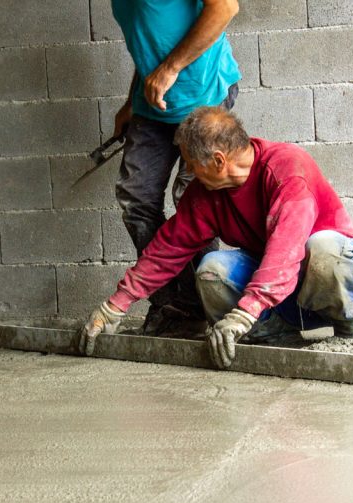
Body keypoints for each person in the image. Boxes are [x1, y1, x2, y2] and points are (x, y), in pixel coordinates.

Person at [80, 107, 353, 369]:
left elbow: (285, 253)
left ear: (219, 160)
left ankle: (348, 324)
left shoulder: (287, 168)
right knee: (211, 270)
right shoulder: (206, 193)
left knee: (323, 249)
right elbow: (167, 249)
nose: (190, 172)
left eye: (191, 164)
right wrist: (114, 306)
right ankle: (275, 332)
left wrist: (243, 313)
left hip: (334, 281)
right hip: (283, 293)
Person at [110, 0, 242, 337]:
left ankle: (203, 306)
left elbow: (225, 8)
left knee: (193, 200)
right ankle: (173, 305)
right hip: (152, 103)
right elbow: (153, 38)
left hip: (202, 92)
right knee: (136, 198)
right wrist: (131, 101)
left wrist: (170, 68)